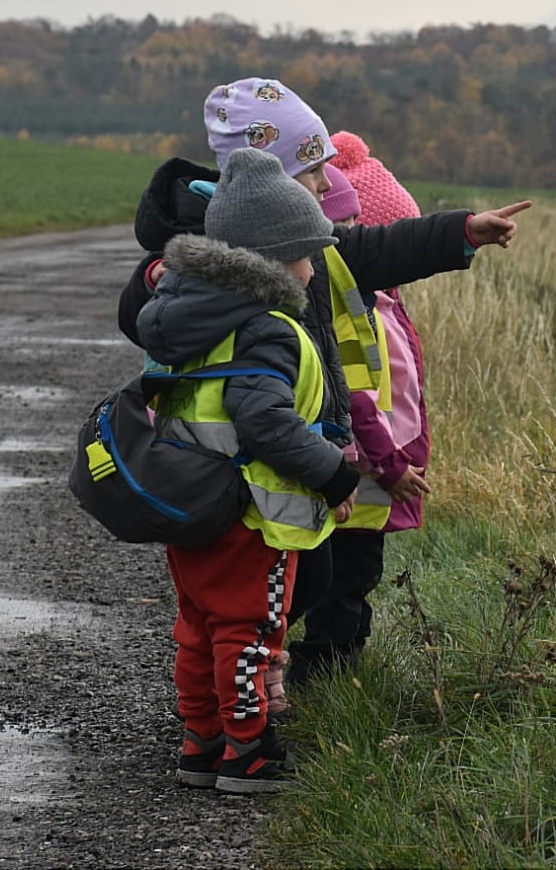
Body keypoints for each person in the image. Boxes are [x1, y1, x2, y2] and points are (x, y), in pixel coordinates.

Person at [117, 77, 530, 670]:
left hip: (299, 445)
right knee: (258, 580)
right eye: (310, 171)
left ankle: (261, 672)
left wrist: (464, 231)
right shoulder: (195, 251)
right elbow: (143, 317)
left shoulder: (313, 242)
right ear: (267, 174)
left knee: (306, 575)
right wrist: (163, 283)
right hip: (229, 458)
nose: (326, 184)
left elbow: (387, 248)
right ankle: (239, 694)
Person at [137, 149, 360, 794]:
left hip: (192, 504)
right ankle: (248, 751)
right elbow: (263, 421)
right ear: (270, 259)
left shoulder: (194, 314)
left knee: (199, 627)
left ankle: (200, 741)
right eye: (305, 254)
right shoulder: (267, 328)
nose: (313, 267)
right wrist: (335, 477)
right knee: (251, 630)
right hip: (251, 515)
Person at [289, 134, 434, 682]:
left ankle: (337, 662)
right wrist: (393, 464)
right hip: (363, 468)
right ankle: (323, 665)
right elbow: (362, 394)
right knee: (342, 575)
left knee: (352, 575)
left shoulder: (383, 305)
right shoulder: (356, 311)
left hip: (369, 469)